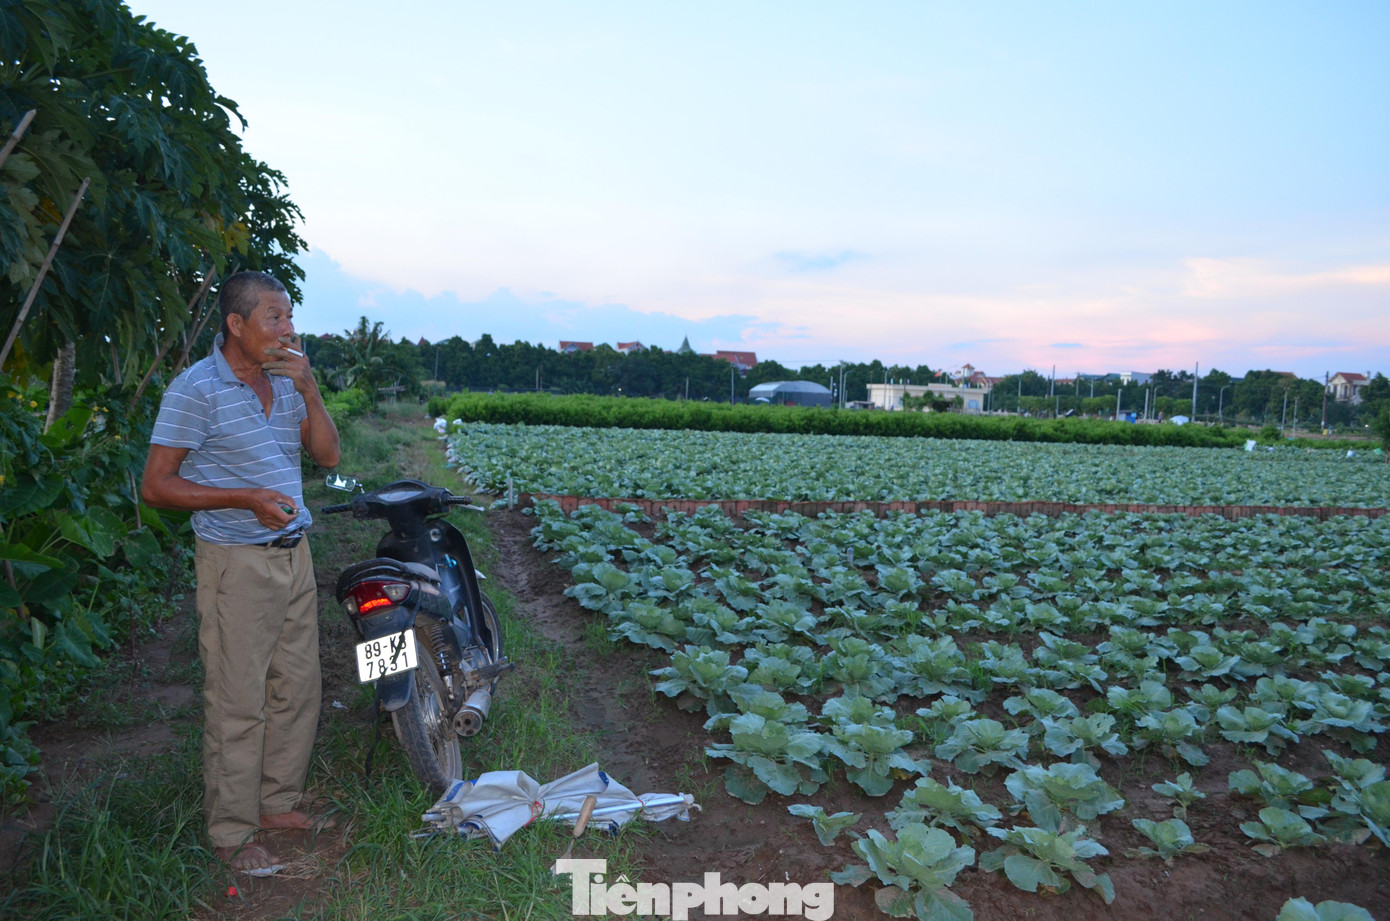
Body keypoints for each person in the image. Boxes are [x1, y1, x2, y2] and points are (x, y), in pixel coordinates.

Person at [141, 270, 341, 874]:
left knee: (298, 689)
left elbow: (328, 456)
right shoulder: (195, 389)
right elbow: (156, 486)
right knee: (237, 700)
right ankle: (231, 830)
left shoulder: (286, 383)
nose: (288, 329)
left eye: (289, 317)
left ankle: (277, 803)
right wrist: (242, 498)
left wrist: (309, 390)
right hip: (236, 563)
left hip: (293, 555)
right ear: (236, 325)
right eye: (274, 317)